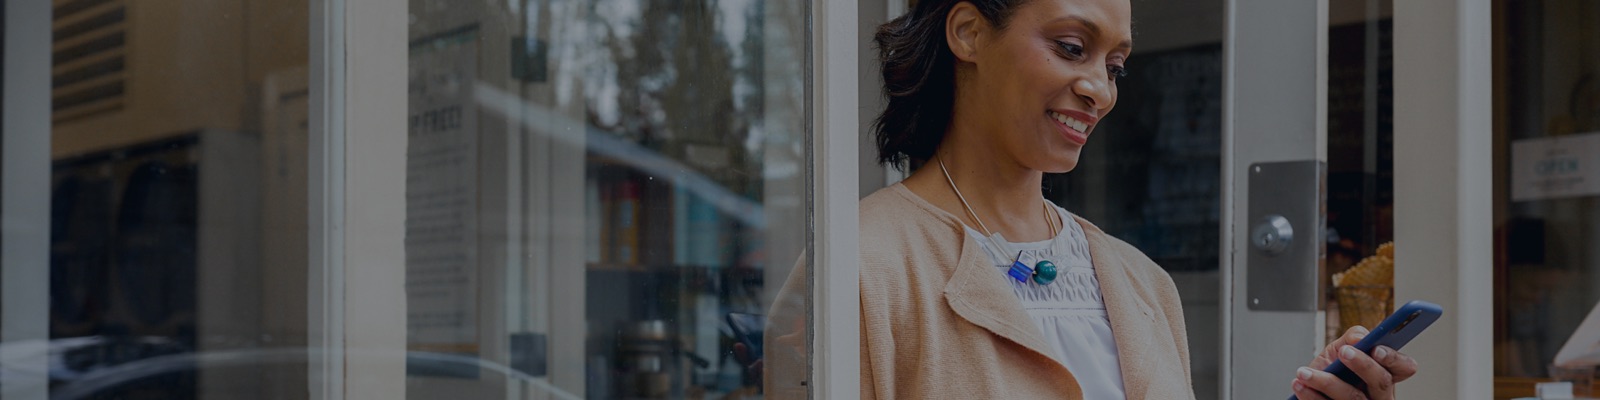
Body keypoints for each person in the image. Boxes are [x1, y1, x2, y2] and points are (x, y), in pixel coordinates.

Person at [850, 0, 1420, 399]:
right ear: (969, 32)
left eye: (1115, 66)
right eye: (1072, 48)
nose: (1100, 89)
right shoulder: (859, 265)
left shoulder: (1141, 283)